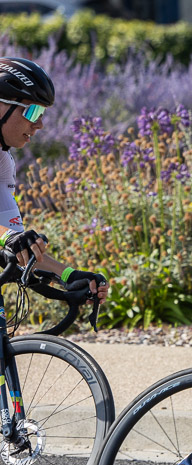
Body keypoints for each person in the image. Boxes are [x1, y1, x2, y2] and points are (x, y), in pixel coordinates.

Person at [0, 57, 108, 300]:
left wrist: (69, 275)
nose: (39, 124)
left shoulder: (3, 162)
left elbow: (18, 247)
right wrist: (6, 236)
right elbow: (5, 235)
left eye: (42, 113)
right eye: (33, 111)